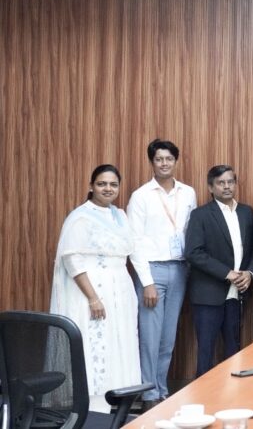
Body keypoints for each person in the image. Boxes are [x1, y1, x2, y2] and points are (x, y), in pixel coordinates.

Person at [50, 165, 149, 412]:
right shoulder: (80, 217)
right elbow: (72, 259)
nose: (108, 189)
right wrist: (93, 298)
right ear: (91, 186)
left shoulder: (121, 216)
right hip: (92, 291)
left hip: (120, 290)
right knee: (96, 345)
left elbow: (134, 249)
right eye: (102, 183)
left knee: (119, 343)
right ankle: (94, 408)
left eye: (113, 184)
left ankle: (115, 403)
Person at [126, 139, 197, 408]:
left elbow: (191, 232)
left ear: (175, 161)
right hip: (151, 271)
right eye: (159, 159)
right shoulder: (141, 196)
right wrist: (147, 283)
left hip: (179, 270)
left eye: (168, 159)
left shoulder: (188, 193)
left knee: (168, 337)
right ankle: (148, 395)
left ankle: (161, 389)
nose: (164, 163)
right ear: (152, 162)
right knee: (150, 337)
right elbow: (134, 242)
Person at [184, 165, 253, 377]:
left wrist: (249, 273)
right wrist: (228, 273)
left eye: (230, 182)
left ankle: (233, 393)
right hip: (208, 293)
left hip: (238, 292)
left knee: (234, 349)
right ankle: (203, 393)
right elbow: (193, 252)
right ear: (211, 187)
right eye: (220, 183)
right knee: (206, 351)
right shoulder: (200, 215)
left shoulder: (246, 212)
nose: (227, 187)